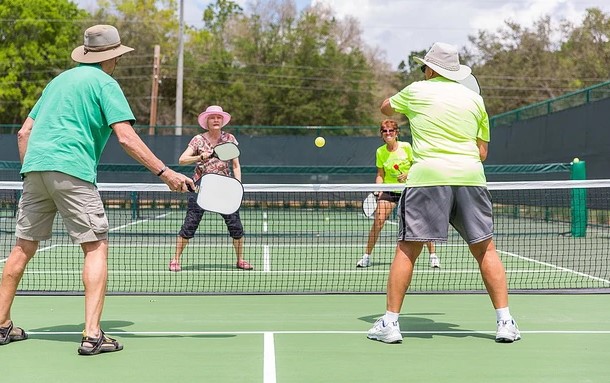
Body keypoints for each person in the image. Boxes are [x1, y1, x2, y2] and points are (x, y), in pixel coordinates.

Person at [0, 25, 194, 354]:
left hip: (33, 170)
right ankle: (93, 334)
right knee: (95, 247)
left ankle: (2, 325)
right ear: (112, 57)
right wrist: (164, 172)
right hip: (73, 170)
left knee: (22, 248)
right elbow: (125, 137)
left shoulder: (57, 82)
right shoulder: (106, 83)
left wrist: (33, 170)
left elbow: (23, 133)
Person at [366, 42, 520, 344]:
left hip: (428, 179)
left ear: (432, 69)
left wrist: (402, 105)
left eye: (424, 67)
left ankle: (390, 323)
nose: (422, 71)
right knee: (486, 250)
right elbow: (482, 151)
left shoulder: (416, 91)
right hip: (470, 178)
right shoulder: (475, 100)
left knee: (408, 249)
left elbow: (385, 107)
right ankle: (506, 322)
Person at [169, 105, 253, 272]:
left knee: (236, 226)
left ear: (222, 121)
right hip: (200, 187)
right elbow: (182, 160)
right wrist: (200, 156)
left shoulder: (229, 138)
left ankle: (240, 260)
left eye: (218, 117)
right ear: (206, 121)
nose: (216, 120)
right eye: (212, 117)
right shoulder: (198, 140)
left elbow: (235, 165)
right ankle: (175, 259)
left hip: (225, 188)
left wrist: (238, 186)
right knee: (190, 224)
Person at [356, 119, 438, 269]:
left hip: (409, 190)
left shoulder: (406, 147)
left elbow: (419, 165)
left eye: (391, 131)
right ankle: (366, 256)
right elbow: (380, 174)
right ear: (381, 134)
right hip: (389, 190)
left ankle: (433, 256)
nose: (388, 134)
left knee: (421, 222)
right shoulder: (380, 151)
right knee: (379, 220)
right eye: (385, 131)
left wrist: (407, 174)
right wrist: (377, 188)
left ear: (396, 133)